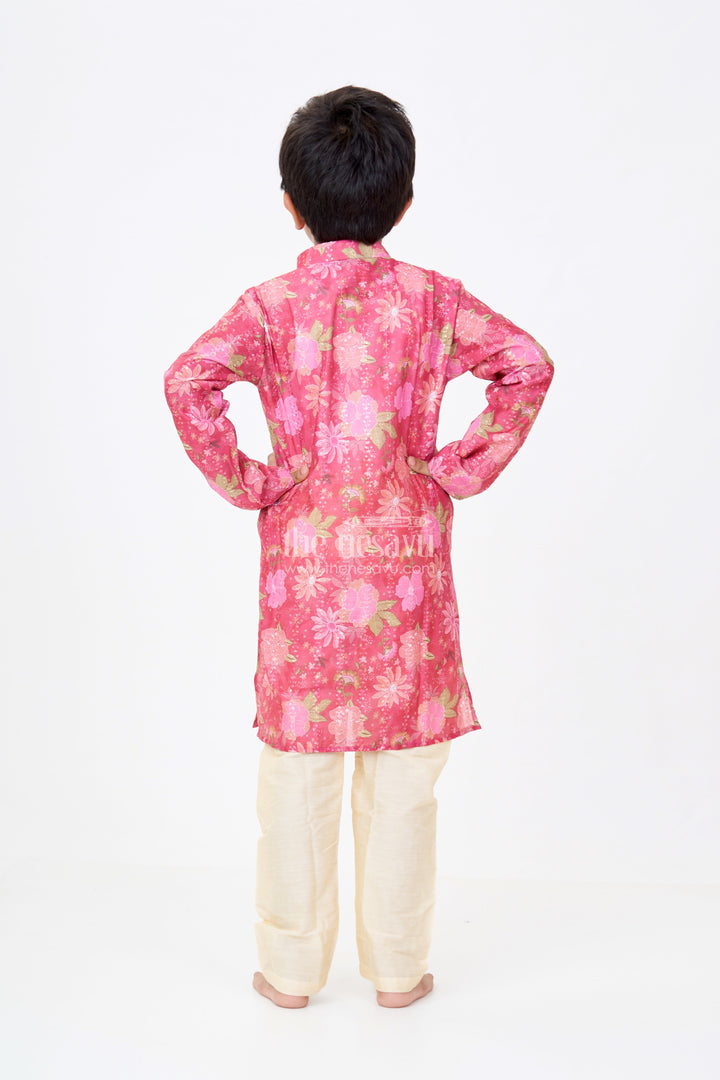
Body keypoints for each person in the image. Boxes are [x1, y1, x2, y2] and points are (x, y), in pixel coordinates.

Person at [163, 86, 554, 1009]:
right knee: (404, 784)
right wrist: (453, 469)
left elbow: (187, 382)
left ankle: (291, 973)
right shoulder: (434, 301)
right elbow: (527, 364)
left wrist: (253, 483)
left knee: (295, 782)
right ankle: (398, 973)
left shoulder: (269, 308)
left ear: (290, 204)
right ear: (403, 202)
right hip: (407, 575)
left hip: (303, 582)